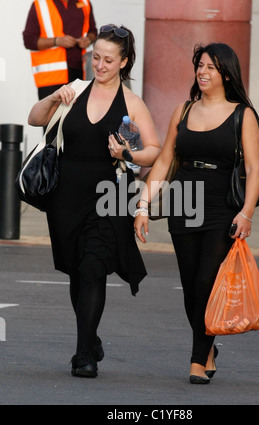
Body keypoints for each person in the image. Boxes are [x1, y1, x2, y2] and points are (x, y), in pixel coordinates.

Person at [27, 24, 161, 378]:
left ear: (124, 62)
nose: (99, 65)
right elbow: (35, 118)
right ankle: (92, 338)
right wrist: (55, 97)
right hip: (66, 197)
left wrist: (127, 150)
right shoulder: (76, 89)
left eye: (107, 59)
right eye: (95, 57)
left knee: (92, 269)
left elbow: (152, 153)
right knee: (77, 271)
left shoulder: (130, 104)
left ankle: (83, 355)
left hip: (108, 197)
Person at [134, 43, 259, 384]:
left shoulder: (242, 115)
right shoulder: (183, 111)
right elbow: (163, 163)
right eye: (200, 65)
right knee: (191, 287)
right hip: (183, 204)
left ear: (226, 74)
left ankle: (196, 360)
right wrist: (144, 204)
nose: (202, 72)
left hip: (223, 209)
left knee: (207, 280)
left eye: (211, 67)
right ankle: (207, 348)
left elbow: (253, 167)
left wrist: (247, 212)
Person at [23, 0, 97, 100]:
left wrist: (88, 39)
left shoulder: (85, 3)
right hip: (51, 77)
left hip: (79, 73)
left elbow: (93, 31)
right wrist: (56, 41)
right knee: (52, 115)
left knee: (77, 114)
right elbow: (29, 40)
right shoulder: (40, 4)